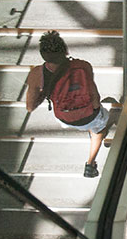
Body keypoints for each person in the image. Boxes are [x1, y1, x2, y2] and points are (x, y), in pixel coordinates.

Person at [25, 31, 109, 178]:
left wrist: (44, 93)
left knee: (85, 121)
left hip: (64, 117)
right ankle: (90, 163)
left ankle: (88, 132)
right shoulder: (83, 66)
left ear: (43, 55)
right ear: (65, 50)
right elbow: (94, 95)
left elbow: (30, 107)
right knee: (98, 130)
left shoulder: (36, 74)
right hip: (90, 115)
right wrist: (95, 110)